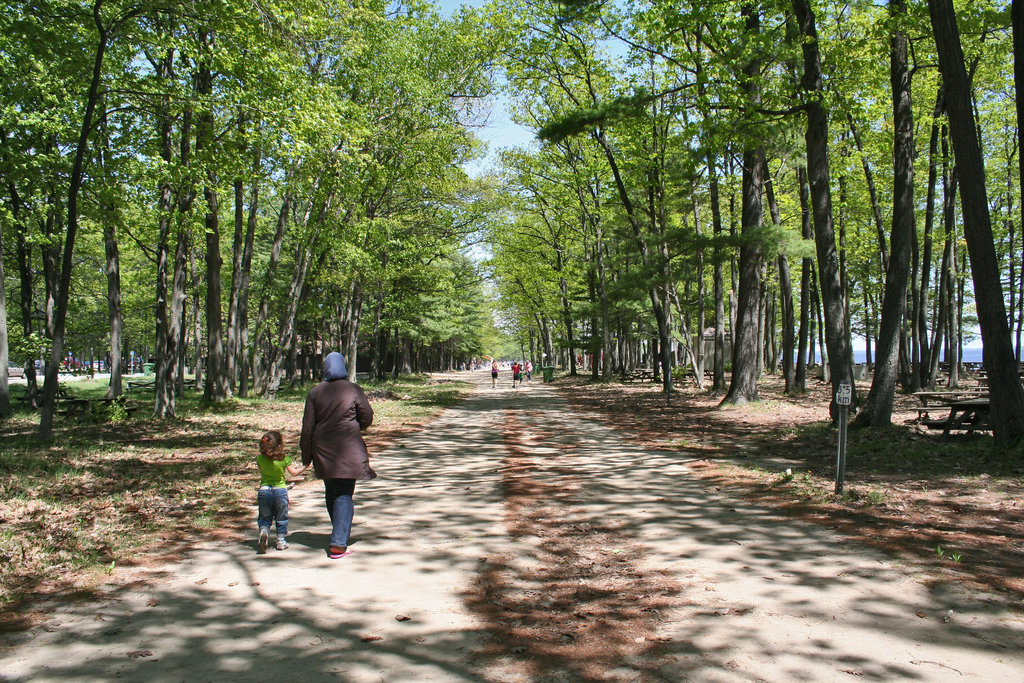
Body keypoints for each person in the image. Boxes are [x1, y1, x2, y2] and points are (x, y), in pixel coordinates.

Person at [300, 352, 376, 559]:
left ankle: (338, 533)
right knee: (343, 492)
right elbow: (367, 416)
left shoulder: (315, 392)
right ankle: (339, 543)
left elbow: (307, 428)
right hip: (348, 448)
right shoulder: (353, 389)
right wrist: (355, 426)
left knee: (332, 490)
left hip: (322, 450)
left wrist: (306, 455)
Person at [256, 430, 309, 553]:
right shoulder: (284, 459)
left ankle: (264, 531)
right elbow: (294, 472)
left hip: (264, 490)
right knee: (281, 517)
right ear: (279, 446)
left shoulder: (259, 458)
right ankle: (281, 541)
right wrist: (306, 465)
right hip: (280, 490)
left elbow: (261, 470)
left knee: (265, 516)